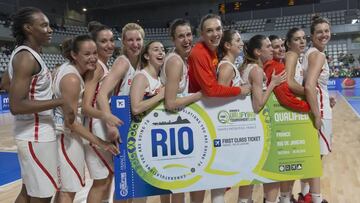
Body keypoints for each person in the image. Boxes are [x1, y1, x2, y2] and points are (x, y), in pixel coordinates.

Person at [7, 7, 74, 203]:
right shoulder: (26, 57)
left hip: (32, 133)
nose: (50, 29)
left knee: (27, 192)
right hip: (35, 135)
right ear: (28, 28)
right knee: (42, 195)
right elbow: (16, 105)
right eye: (44, 25)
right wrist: (60, 101)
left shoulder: (24, 54)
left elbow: (5, 83)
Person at [188, 13, 250, 203]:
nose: (215, 34)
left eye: (218, 29)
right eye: (209, 30)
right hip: (200, 118)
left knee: (216, 175)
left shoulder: (213, 52)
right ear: (201, 33)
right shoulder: (199, 53)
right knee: (201, 179)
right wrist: (240, 90)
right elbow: (212, 90)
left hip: (209, 117)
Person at [53, 35, 119, 203]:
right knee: (69, 189)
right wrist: (101, 142)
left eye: (94, 53)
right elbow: (71, 123)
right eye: (87, 54)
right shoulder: (72, 78)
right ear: (75, 55)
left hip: (64, 135)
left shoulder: (70, 71)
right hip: (65, 137)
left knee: (65, 189)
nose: (93, 58)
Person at [239, 35, 285, 203]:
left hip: (249, 128)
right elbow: (258, 106)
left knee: (248, 175)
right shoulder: (257, 71)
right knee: (268, 172)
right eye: (268, 46)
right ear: (258, 52)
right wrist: (273, 83)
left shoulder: (246, 67)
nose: (272, 49)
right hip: (258, 127)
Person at [160, 19, 202, 203]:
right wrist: (199, 95)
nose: (186, 40)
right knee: (179, 184)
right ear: (173, 39)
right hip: (171, 126)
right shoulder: (176, 61)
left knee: (179, 184)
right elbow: (170, 102)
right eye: (180, 36)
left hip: (177, 126)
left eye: (188, 35)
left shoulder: (181, 59)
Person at [82, 21, 123, 203]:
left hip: (102, 127)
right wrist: (107, 118)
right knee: (100, 182)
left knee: (107, 180)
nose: (109, 45)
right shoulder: (97, 66)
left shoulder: (104, 65)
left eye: (112, 40)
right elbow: (86, 106)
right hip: (94, 128)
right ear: (95, 45)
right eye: (104, 41)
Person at [301, 15, 334, 203]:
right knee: (316, 160)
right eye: (319, 32)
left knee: (313, 158)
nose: (324, 34)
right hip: (319, 113)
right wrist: (317, 114)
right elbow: (309, 86)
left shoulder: (312, 53)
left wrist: (325, 96)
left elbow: (311, 85)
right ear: (312, 36)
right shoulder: (318, 55)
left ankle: (305, 194)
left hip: (319, 107)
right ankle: (316, 199)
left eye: (326, 31)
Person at [212, 29, 246, 203]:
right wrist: (241, 91)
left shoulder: (230, 65)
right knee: (220, 180)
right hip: (225, 129)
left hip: (231, 127)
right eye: (238, 40)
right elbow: (218, 97)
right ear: (227, 45)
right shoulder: (226, 66)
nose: (241, 43)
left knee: (225, 179)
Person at [263, 34, 310, 112]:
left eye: (282, 45)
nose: (281, 49)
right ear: (270, 49)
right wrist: (309, 106)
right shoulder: (275, 67)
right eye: (276, 47)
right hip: (284, 113)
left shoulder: (280, 63)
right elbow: (286, 99)